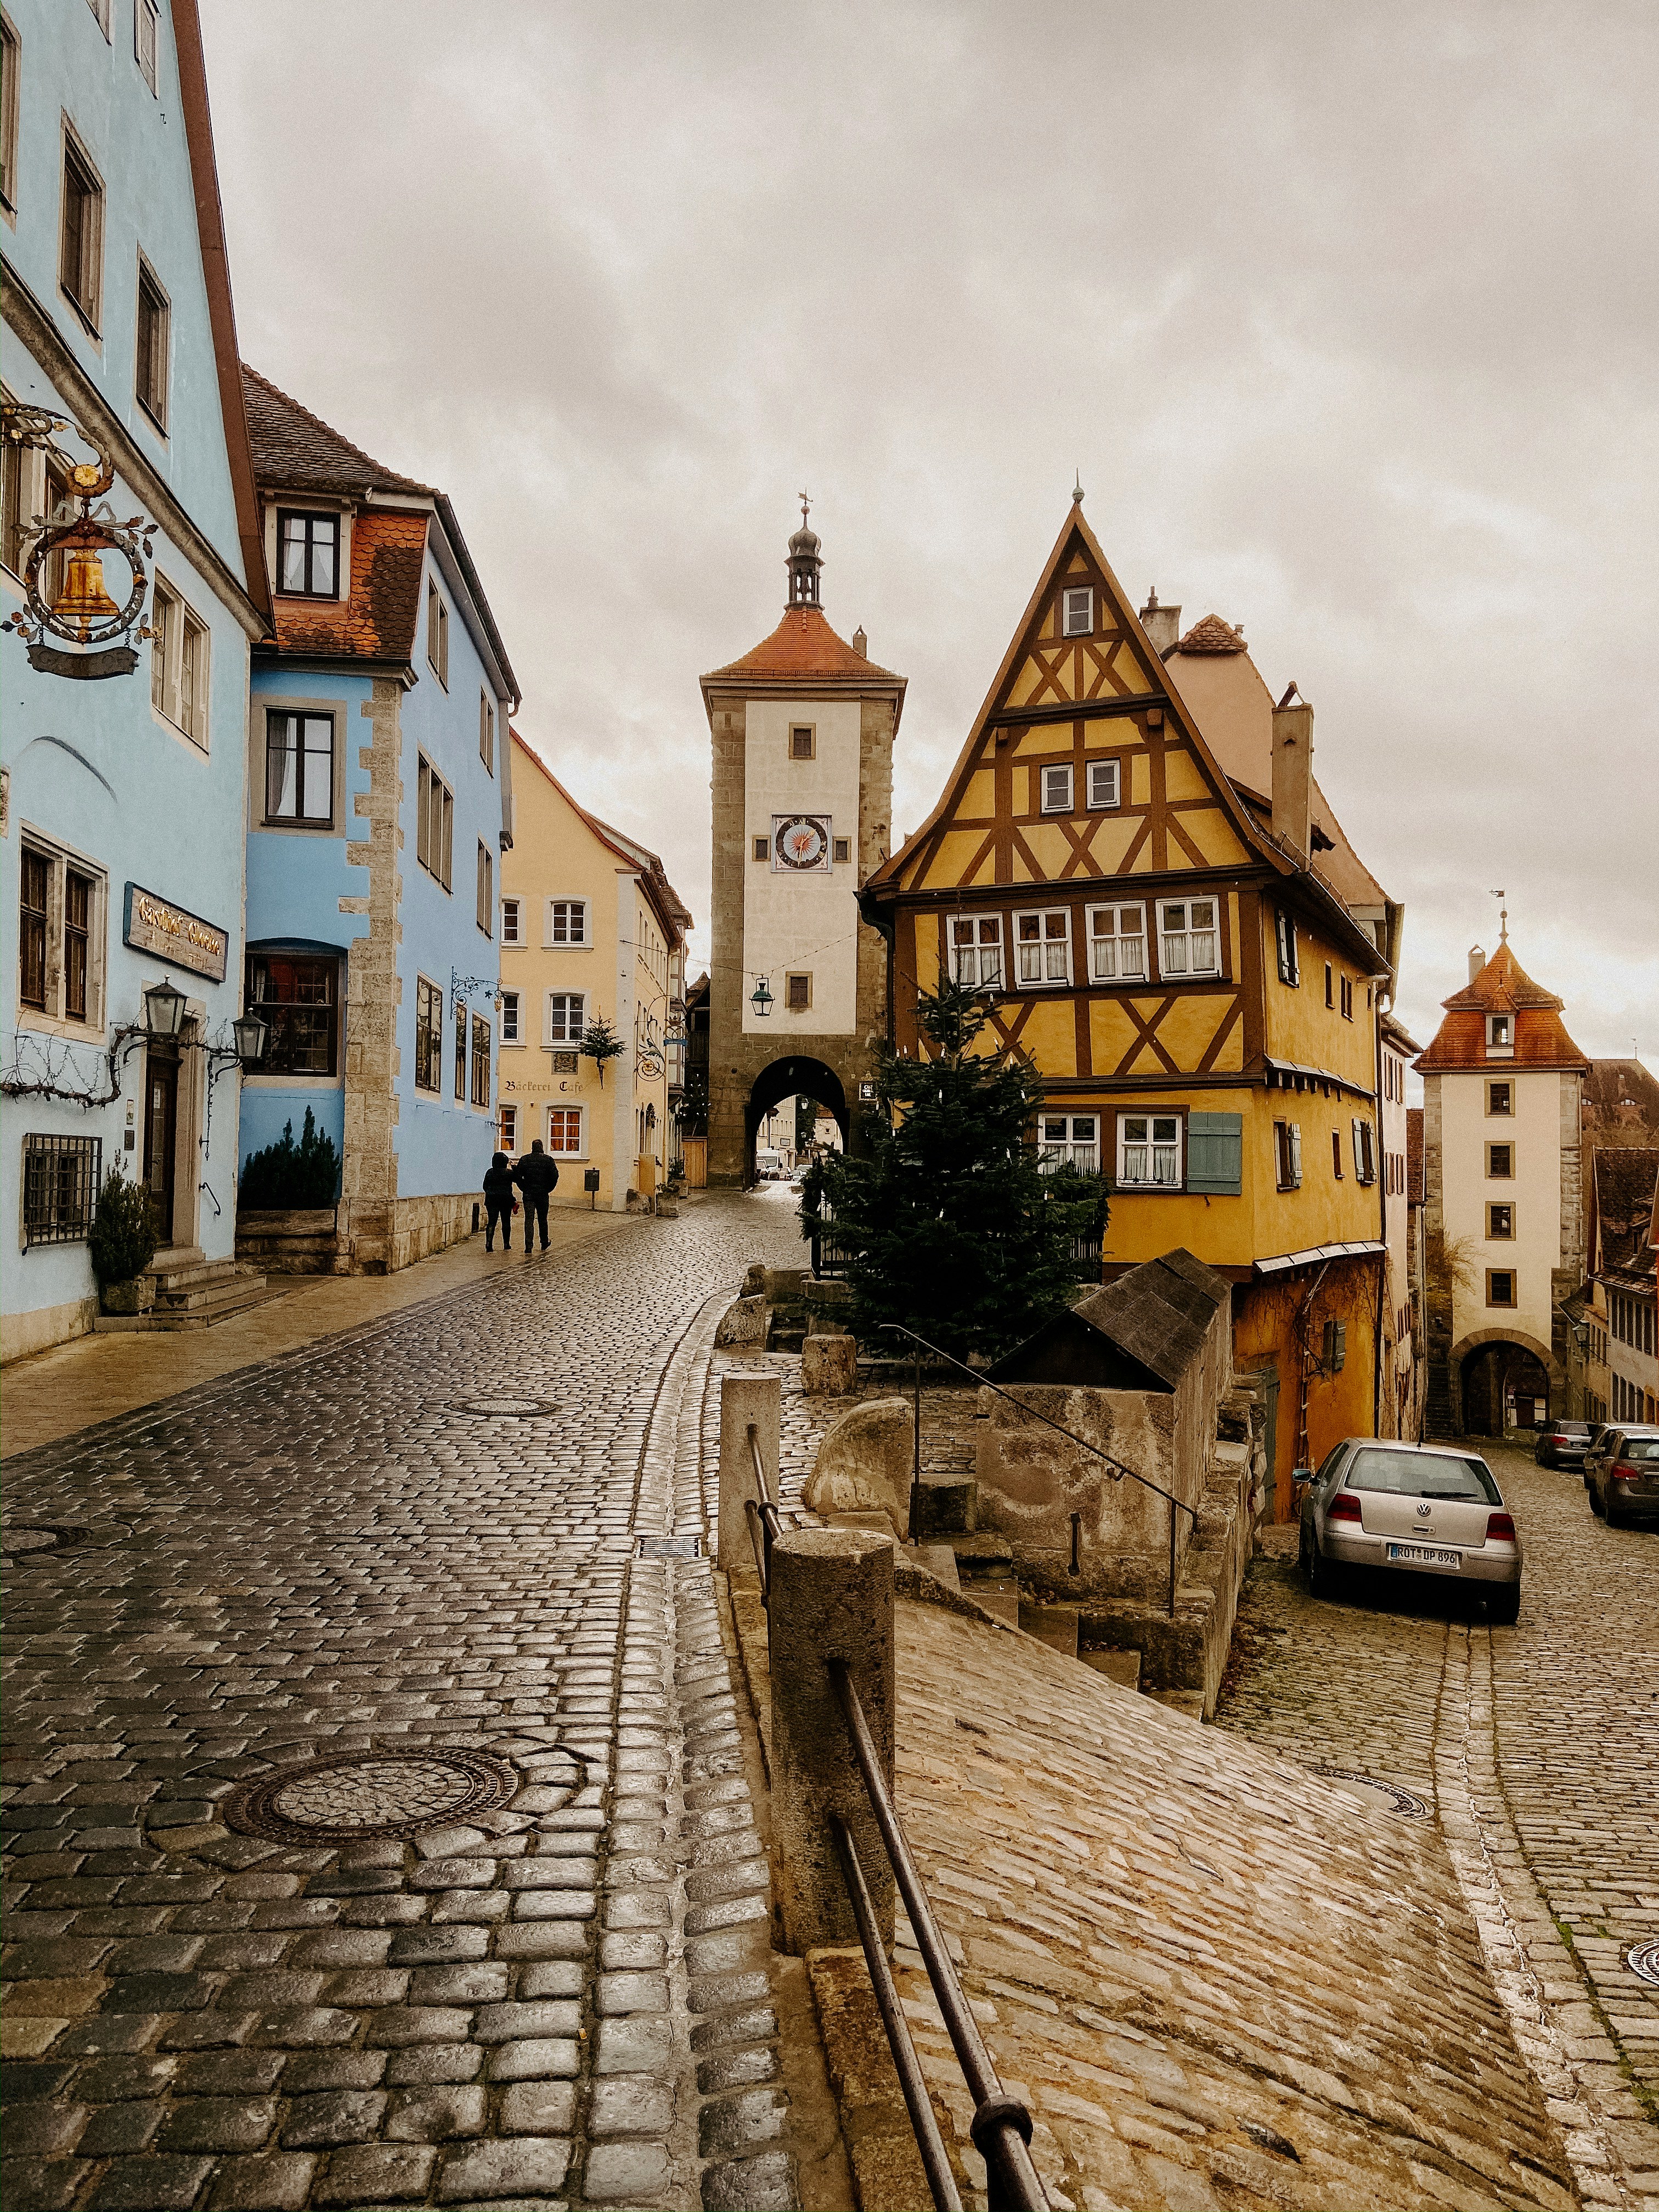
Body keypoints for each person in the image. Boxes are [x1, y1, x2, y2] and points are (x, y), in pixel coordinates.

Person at [512, 1137, 559, 1254]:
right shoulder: (548, 1160)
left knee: (529, 1220)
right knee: (543, 1219)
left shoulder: (525, 1160)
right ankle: (544, 1242)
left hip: (528, 1194)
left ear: (532, 1148)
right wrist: (549, 1189)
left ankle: (528, 1246)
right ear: (542, 1148)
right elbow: (555, 1176)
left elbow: (518, 1177)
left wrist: (523, 1187)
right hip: (543, 1194)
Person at [482, 1150, 516, 1251]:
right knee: (506, 1222)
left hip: (492, 1201)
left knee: (492, 1222)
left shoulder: (490, 1172)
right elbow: (518, 1178)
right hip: (506, 1201)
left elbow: (485, 1186)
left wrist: (491, 1193)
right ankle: (506, 1244)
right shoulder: (509, 1173)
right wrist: (514, 1166)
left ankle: (489, 1244)